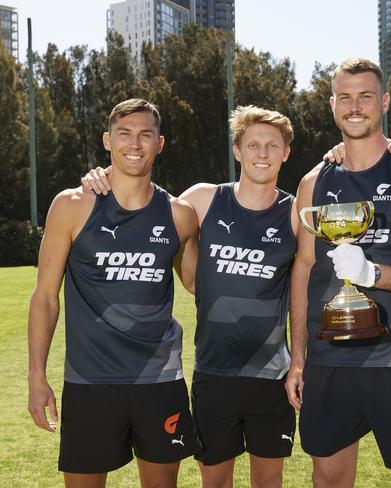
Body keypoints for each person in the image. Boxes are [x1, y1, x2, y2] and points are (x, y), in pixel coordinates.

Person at [82, 105, 298, 488]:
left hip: (271, 375)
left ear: (286, 152)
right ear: (237, 151)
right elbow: (145, 208)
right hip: (213, 373)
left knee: (269, 481)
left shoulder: (295, 213)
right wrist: (103, 177)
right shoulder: (203, 199)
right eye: (252, 145)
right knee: (214, 482)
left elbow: (305, 286)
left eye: (271, 145)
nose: (261, 154)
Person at [286, 58, 391, 488]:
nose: (355, 106)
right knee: (329, 479)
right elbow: (304, 270)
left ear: (385, 102)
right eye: (345, 97)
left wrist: (373, 273)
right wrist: (299, 357)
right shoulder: (313, 181)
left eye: (366, 96)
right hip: (329, 361)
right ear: (332, 104)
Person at [27, 98, 199, 488]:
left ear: (160, 143)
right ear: (107, 140)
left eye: (145, 134)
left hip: (159, 380)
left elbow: (198, 283)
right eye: (124, 134)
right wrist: (37, 376)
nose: (134, 144)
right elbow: (45, 297)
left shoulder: (179, 214)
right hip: (91, 381)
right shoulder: (72, 205)